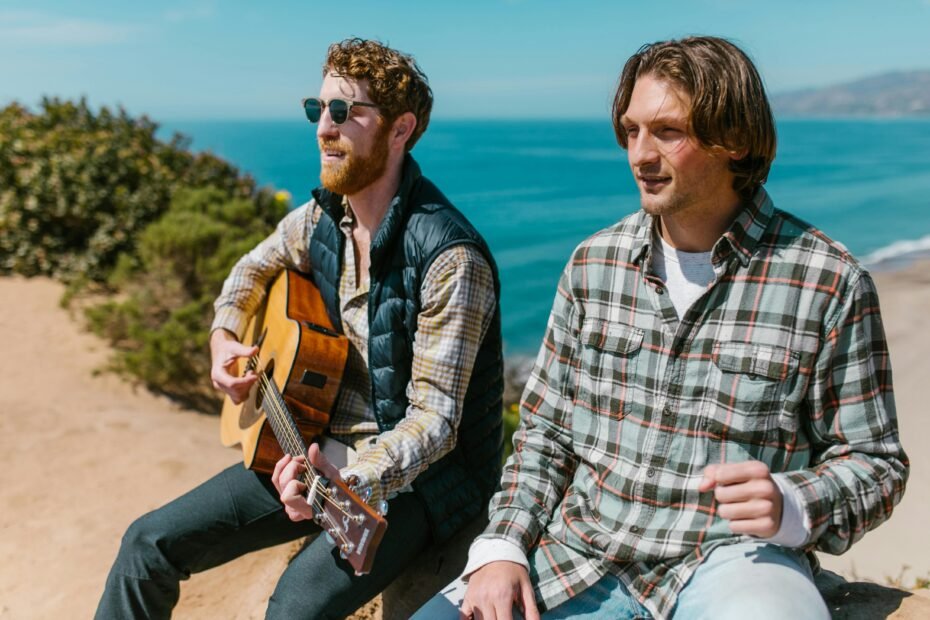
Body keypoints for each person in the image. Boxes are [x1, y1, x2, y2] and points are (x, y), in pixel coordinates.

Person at [414, 36, 908, 620]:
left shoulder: (828, 280)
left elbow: (876, 461)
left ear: (737, 141)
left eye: (668, 132)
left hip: (736, 562)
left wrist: (793, 502)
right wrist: (502, 548)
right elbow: (544, 436)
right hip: (578, 553)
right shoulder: (592, 265)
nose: (640, 155)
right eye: (631, 131)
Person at [97, 38, 504, 619]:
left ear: (400, 130)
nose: (324, 129)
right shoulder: (324, 218)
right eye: (319, 110)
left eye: (345, 112)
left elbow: (435, 422)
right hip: (308, 441)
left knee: (293, 608)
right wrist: (223, 337)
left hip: (418, 483)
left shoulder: (448, 258)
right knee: (146, 544)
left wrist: (351, 477)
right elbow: (249, 271)